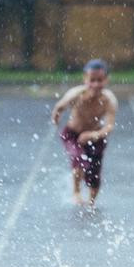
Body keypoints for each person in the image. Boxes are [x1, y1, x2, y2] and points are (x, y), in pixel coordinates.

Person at [51, 58, 118, 207]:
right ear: (85, 79)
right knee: (79, 158)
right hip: (72, 134)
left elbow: (109, 127)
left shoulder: (109, 100)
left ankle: (92, 202)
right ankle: (76, 192)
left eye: (99, 80)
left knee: (94, 170)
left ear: (106, 80)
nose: (95, 84)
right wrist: (57, 114)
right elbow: (60, 106)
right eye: (92, 80)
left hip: (95, 137)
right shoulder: (77, 94)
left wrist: (93, 135)